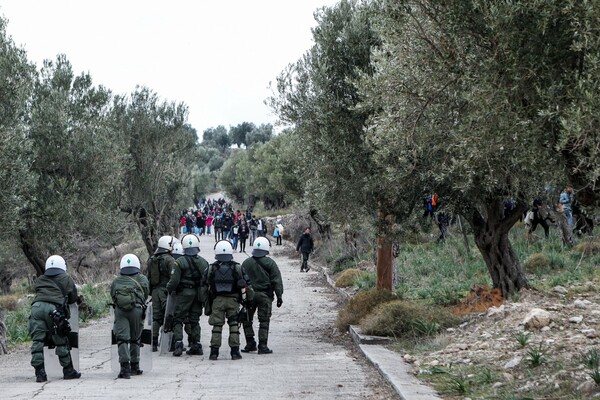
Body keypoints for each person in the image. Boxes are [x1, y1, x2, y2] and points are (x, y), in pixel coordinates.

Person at [28, 255, 81, 382]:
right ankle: (68, 371)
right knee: (61, 338)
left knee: (37, 341)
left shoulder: (40, 279)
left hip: (36, 308)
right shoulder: (66, 278)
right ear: (62, 265)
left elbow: (38, 291)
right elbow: (73, 297)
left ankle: (40, 373)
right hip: (54, 310)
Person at [206, 240, 250, 360]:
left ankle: (214, 352)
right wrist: (245, 301)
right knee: (234, 325)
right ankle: (235, 352)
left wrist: (207, 302)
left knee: (217, 326)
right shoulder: (237, 267)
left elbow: (205, 284)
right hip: (233, 301)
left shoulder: (211, 268)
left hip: (217, 301)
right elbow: (245, 284)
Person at [166, 234, 209, 357]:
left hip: (184, 294)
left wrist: (168, 289)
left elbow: (174, 281)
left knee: (178, 318)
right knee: (194, 320)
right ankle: (196, 344)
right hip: (198, 294)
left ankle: (178, 344)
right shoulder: (203, 262)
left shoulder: (179, 262)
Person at [241, 237, 283, 354]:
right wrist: (279, 296)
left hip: (250, 296)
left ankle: (250, 343)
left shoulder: (246, 263)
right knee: (264, 321)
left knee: (247, 319)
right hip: (265, 296)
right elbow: (277, 281)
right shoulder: (270, 263)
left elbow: (241, 280)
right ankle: (262, 346)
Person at [111, 254, 150, 379]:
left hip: (120, 311)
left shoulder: (116, 281)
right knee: (135, 338)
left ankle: (124, 368)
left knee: (122, 339)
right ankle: (135, 366)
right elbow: (145, 294)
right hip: (137, 310)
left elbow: (112, 295)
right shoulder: (143, 279)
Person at [145, 235, 177, 352]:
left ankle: (153, 343)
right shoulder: (169, 260)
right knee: (169, 317)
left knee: (156, 318)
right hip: (166, 292)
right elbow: (174, 277)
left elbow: (147, 277)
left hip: (155, 292)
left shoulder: (151, 259)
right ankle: (170, 343)